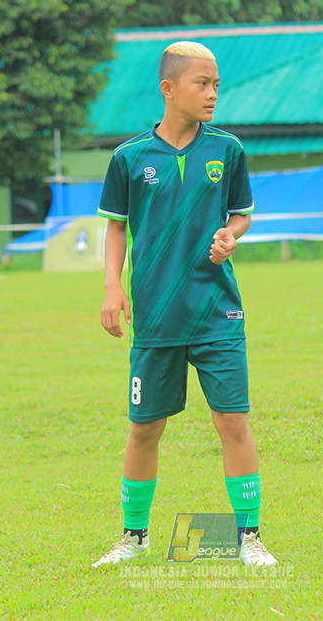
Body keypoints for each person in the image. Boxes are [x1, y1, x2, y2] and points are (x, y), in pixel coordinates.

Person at [92, 41, 277, 568]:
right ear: (169, 89)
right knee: (144, 427)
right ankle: (134, 536)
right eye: (203, 84)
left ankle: (249, 538)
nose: (213, 94)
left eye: (217, 85)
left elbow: (241, 214)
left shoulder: (228, 149)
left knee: (233, 421)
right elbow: (116, 226)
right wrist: (112, 286)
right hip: (155, 315)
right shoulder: (128, 157)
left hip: (217, 311)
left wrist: (231, 235)